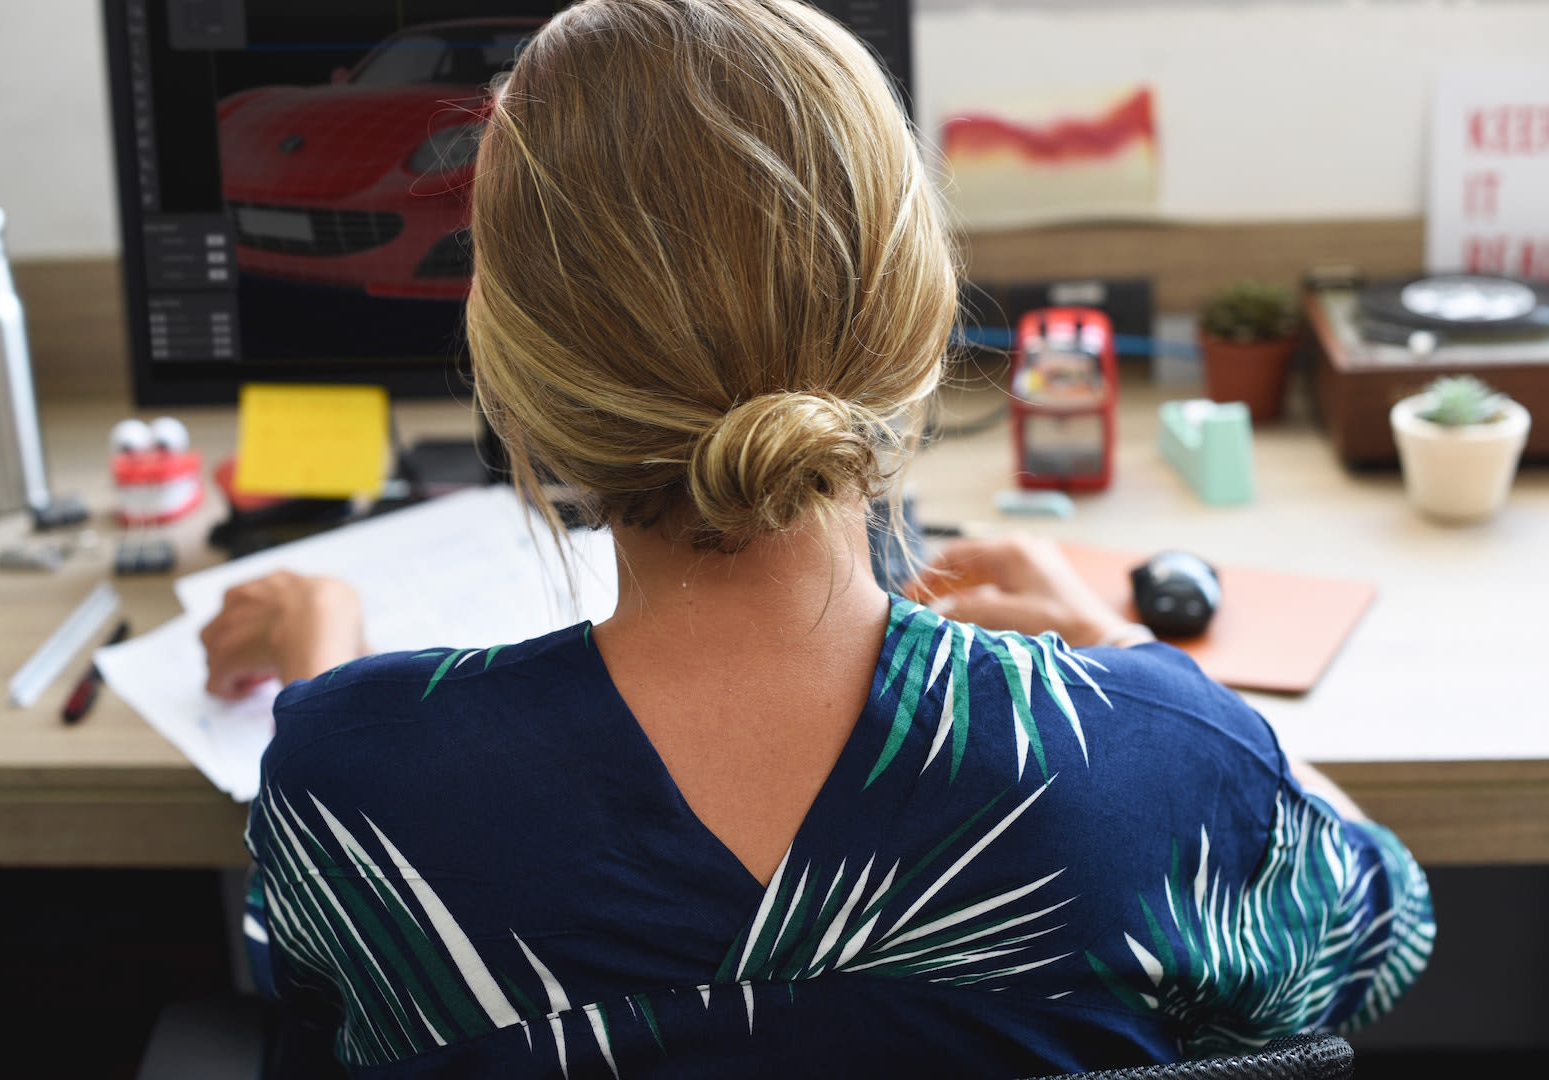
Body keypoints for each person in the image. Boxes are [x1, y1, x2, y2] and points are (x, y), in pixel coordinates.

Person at [202, 1, 1434, 1075]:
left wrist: (325, 674)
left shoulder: (347, 778)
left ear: (512, 380)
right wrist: (1124, 659)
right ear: (917, 324)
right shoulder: (1165, 766)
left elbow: (305, 977)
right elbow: (1386, 934)